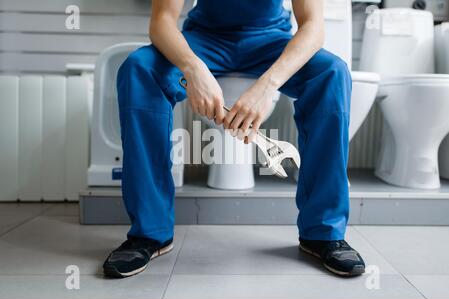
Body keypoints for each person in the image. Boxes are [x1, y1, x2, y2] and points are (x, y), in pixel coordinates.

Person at [103, 0, 365, 278]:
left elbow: (313, 25)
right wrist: (192, 67)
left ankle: (323, 232)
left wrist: (268, 84)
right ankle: (150, 232)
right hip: (203, 40)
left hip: (270, 40)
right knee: (138, 68)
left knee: (332, 73)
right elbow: (161, 21)